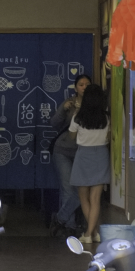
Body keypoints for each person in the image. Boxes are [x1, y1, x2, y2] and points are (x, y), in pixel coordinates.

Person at [49, 74, 92, 236]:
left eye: (87, 84)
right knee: (67, 187)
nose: (84, 87)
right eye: (81, 84)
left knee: (82, 189)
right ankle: (70, 226)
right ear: (75, 88)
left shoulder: (94, 105)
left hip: (84, 152)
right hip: (63, 150)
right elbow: (54, 123)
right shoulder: (70, 103)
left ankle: (61, 219)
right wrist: (63, 109)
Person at [69, 82, 111, 243]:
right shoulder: (106, 118)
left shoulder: (78, 117)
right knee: (95, 199)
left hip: (83, 155)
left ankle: (88, 234)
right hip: (101, 154)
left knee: (83, 197)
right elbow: (110, 136)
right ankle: (94, 232)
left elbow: (72, 137)